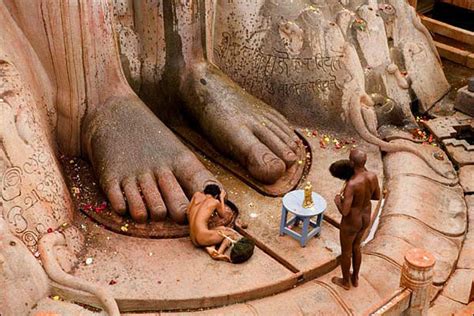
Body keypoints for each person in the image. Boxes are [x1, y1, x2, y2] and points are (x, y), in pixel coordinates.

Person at [331, 149, 381, 290]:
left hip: (352, 221)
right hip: (366, 217)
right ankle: (355, 278)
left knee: (346, 251)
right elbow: (377, 196)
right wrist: (363, 198)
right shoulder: (373, 176)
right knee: (357, 247)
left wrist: (337, 201)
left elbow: (345, 211)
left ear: (351, 163)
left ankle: (345, 282)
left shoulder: (352, 184)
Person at [187, 184, 255, 263]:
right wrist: (221, 198)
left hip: (192, 237)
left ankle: (210, 248)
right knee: (232, 234)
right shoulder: (215, 201)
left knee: (222, 228)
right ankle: (219, 253)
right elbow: (223, 215)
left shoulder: (196, 195)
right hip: (202, 237)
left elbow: (188, 212)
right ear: (216, 196)